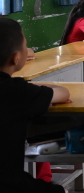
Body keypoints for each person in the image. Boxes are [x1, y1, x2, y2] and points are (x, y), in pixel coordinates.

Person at [0, 17, 70, 193]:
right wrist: (34, 87)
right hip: (9, 183)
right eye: (25, 46)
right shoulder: (17, 91)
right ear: (16, 58)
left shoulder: (18, 90)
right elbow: (63, 93)